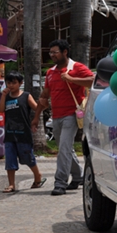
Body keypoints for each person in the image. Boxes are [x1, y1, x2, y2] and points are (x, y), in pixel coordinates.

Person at [31, 39, 94, 196]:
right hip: (56, 116)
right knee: (65, 149)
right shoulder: (51, 72)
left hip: (72, 115)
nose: (52, 55)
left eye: (55, 52)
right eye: (50, 52)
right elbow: (45, 95)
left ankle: (60, 183)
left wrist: (72, 79)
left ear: (65, 52)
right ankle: (79, 176)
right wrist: (36, 116)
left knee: (64, 149)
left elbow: (93, 81)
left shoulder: (76, 67)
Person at [0, 72, 46, 193]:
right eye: (9, 83)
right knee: (10, 160)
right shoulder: (6, 97)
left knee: (28, 158)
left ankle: (38, 176)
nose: (11, 85)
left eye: (14, 83)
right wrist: (3, 96)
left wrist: (43, 105)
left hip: (23, 134)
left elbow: (36, 108)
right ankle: (11, 184)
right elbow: (0, 109)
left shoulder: (26, 96)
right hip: (9, 134)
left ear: (20, 83)